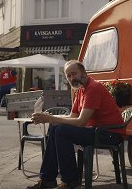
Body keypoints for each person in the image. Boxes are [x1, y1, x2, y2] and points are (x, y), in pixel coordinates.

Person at [27, 60, 125, 189]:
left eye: (74, 73)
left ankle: (70, 181)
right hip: (96, 131)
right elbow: (73, 117)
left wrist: (50, 118)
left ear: (83, 72)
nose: (72, 78)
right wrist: (48, 118)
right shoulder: (81, 90)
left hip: (110, 134)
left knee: (61, 130)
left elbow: (81, 122)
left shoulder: (93, 88)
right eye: (68, 76)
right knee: (55, 128)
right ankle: (48, 180)